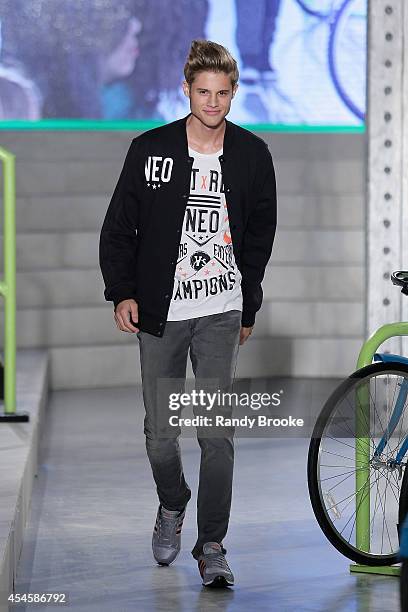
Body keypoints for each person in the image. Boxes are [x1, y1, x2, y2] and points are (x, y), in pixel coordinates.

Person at [99, 39, 277, 588]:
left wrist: (248, 302)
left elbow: (260, 237)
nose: (214, 102)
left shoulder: (252, 155)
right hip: (162, 312)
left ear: (233, 93)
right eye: (204, 91)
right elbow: (118, 227)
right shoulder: (150, 149)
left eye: (223, 93)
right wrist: (122, 291)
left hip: (222, 310)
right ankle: (173, 501)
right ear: (187, 90)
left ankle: (213, 544)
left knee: (217, 434)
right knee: (160, 434)